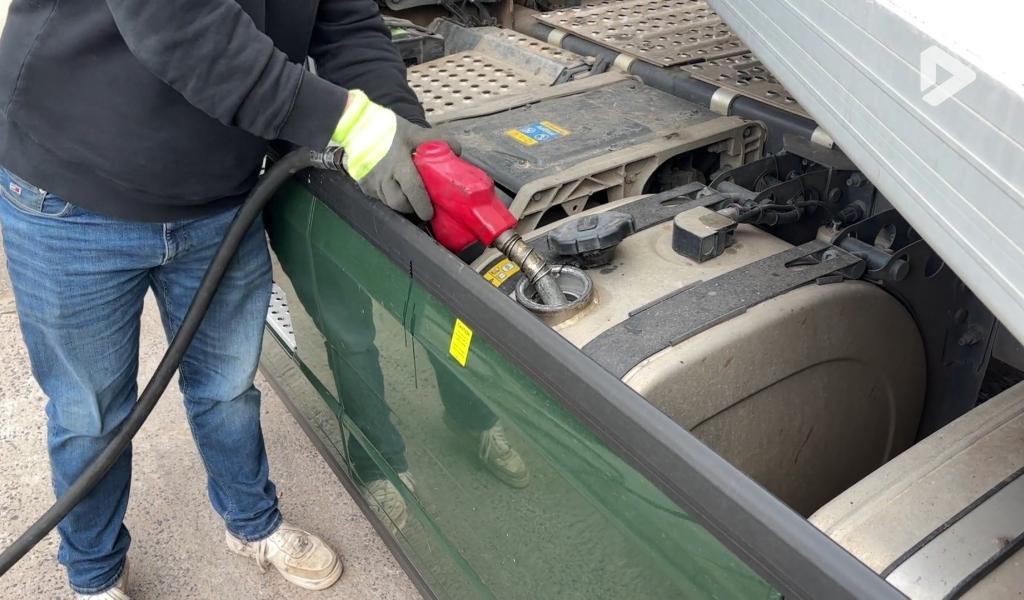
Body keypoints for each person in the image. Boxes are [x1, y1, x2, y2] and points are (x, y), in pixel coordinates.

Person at [0, 1, 454, 597]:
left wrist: (397, 129)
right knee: (91, 412)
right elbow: (178, 23)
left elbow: (345, 20)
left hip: (221, 194)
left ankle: (251, 523)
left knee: (227, 385)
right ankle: (94, 572)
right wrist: (351, 122)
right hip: (75, 188)